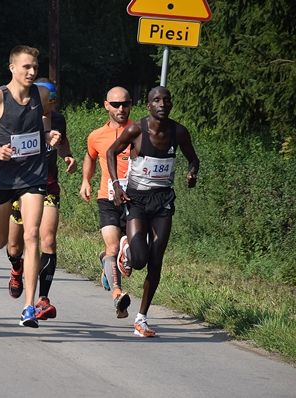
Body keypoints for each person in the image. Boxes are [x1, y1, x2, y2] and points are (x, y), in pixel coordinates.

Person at [0, 45, 59, 328]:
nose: (31, 72)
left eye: (35, 68)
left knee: (32, 237)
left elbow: (41, 130)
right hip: (2, 177)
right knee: (4, 240)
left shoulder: (41, 95)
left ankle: (28, 307)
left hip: (33, 175)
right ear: (12, 68)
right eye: (26, 67)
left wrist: (49, 137)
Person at [106, 86, 200, 337]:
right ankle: (127, 248)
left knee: (156, 258)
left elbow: (194, 159)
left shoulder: (178, 132)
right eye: (156, 100)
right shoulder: (136, 129)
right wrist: (116, 185)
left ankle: (141, 318)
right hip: (137, 199)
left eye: (166, 100)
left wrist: (192, 173)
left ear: (171, 104)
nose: (162, 104)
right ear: (148, 106)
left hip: (163, 200)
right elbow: (110, 152)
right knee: (139, 260)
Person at [5, 79, 76, 321]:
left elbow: (63, 142)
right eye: (48, 101)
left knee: (48, 239)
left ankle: (42, 299)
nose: (51, 106)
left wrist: (67, 156)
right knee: (14, 247)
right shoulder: (19, 118)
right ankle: (17, 268)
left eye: (54, 102)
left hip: (48, 186)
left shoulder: (58, 120)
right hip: (20, 188)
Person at [79, 86, 134, 318]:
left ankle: (106, 263)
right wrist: (85, 181)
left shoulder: (138, 131)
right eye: (115, 104)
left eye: (125, 104)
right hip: (108, 198)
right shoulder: (96, 136)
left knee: (131, 256)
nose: (120, 108)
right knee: (113, 247)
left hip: (135, 199)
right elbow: (90, 158)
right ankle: (118, 297)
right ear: (106, 106)